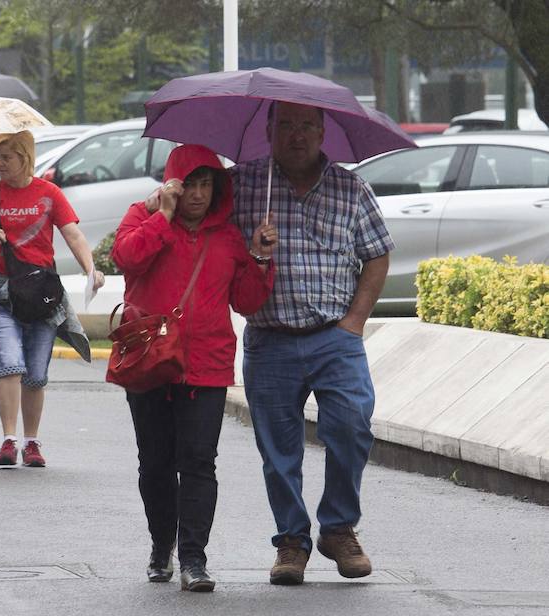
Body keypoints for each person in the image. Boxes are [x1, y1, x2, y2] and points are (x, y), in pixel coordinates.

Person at [234, 101, 394, 584]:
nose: (297, 135)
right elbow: (198, 220)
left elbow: (378, 255)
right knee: (278, 450)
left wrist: (355, 322)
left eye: (307, 126)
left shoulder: (351, 187)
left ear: (323, 131)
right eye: (286, 125)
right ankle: (291, 542)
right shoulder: (243, 185)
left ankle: (339, 528)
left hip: (334, 337)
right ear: (269, 130)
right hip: (269, 338)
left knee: (351, 425)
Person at [113, 144, 276, 592]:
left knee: (200, 462)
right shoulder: (142, 217)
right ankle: (160, 545)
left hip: (206, 364)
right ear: (173, 185)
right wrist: (162, 217)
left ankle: (194, 560)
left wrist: (260, 259)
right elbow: (126, 259)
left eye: (208, 185)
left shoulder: (227, 237)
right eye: (191, 185)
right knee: (156, 464)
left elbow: (245, 301)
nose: (199, 195)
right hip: (150, 362)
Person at [0, 130, 104, 468]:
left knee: (36, 374)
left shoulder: (49, 192)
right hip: (2, 293)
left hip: (42, 295)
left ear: (24, 158)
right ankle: (9, 440)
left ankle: (32, 442)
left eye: (6, 158)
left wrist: (91, 269)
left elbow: (71, 232)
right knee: (10, 363)